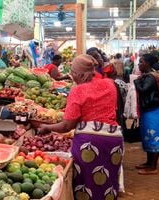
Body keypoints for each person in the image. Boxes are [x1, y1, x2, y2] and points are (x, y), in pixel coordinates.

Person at [39, 54, 123, 200]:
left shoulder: (77, 91)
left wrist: (47, 127)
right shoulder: (110, 84)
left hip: (89, 142)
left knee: (86, 184)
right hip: (113, 140)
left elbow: (67, 125)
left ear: (78, 73)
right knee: (108, 182)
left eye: (72, 72)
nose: (71, 75)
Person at [134, 53, 159, 175]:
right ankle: (149, 162)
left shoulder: (151, 77)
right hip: (149, 110)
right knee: (147, 136)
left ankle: (153, 166)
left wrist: (136, 81)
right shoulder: (148, 75)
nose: (139, 64)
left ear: (148, 63)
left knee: (153, 136)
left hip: (153, 111)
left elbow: (143, 89)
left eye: (141, 62)